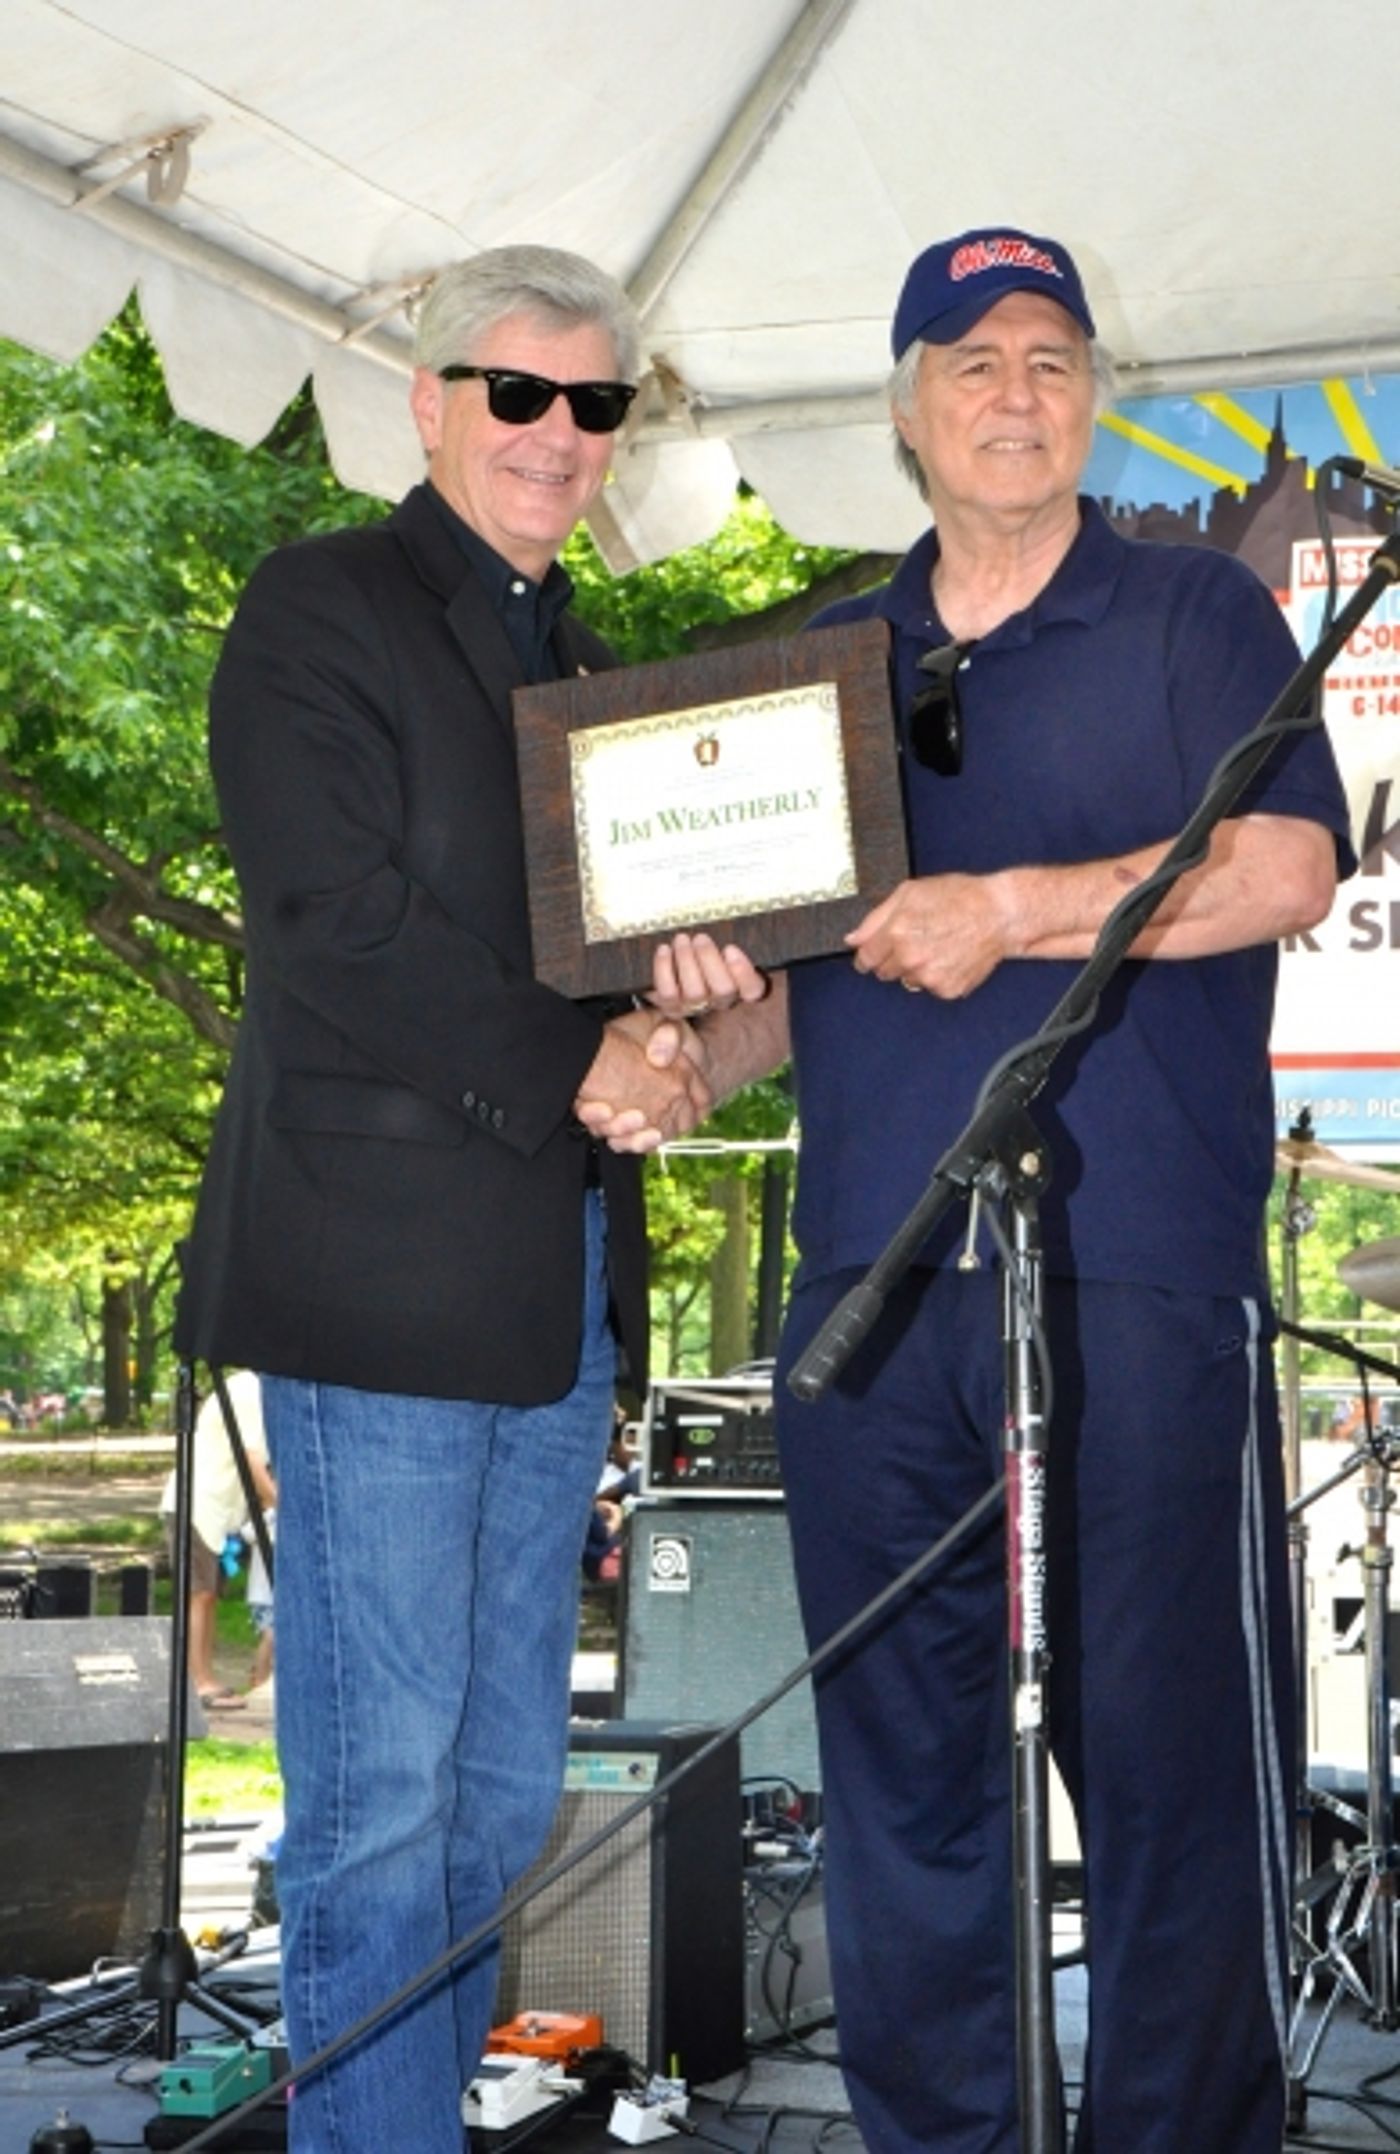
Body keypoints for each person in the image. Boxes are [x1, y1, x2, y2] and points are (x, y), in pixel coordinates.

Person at [650, 228, 1355, 2152]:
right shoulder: (817, 670)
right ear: (905, 411)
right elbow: (801, 987)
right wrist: (684, 1046)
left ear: (1094, 397)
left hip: (1130, 1267)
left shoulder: (1198, 617)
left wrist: (1012, 911)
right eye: (971, 362)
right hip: (874, 1286)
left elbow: (1286, 866)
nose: (1015, 392)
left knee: (1167, 1765)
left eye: (1051, 357)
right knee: (899, 1782)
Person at [173, 245, 725, 2154]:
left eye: (598, 406)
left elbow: (613, 960)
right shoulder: (317, 606)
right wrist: (584, 1057)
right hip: (377, 1291)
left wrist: (684, 1008)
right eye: (519, 393)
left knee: (499, 1797)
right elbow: (331, 917)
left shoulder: (596, 673)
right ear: (428, 402)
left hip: (552, 1288)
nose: (558, 437)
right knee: (382, 1801)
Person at [158, 1367, 275, 1709]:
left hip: (213, 1513)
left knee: (207, 1596)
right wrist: (283, 1504)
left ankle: (204, 1676)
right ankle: (197, 1682)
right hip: (197, 1504)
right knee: (199, 1596)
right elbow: (252, 1462)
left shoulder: (247, 1388)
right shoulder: (251, 1390)